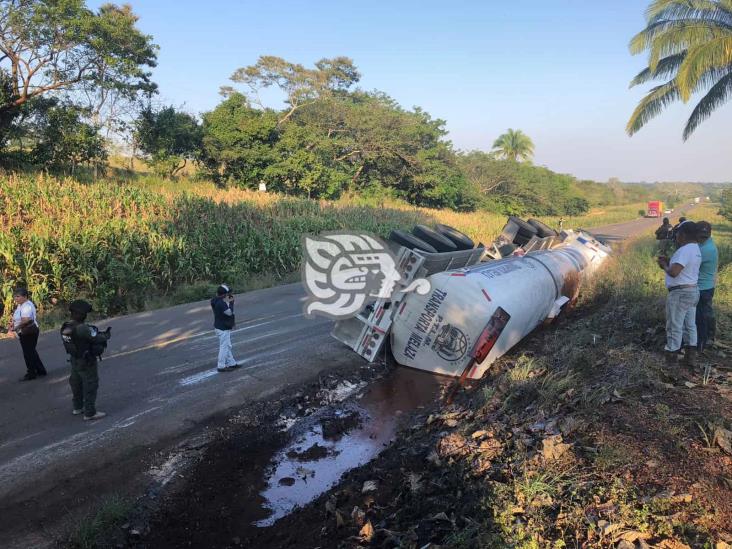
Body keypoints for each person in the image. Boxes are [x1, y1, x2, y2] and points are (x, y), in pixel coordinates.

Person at [657, 221, 701, 369]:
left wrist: (664, 266)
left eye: (677, 234)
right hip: (692, 291)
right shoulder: (695, 249)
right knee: (690, 325)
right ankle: (690, 358)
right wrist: (670, 262)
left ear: (683, 234)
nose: (676, 237)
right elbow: (682, 267)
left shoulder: (684, 250)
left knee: (674, 326)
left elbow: (674, 272)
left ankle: (671, 359)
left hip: (680, 293)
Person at [61, 300, 111, 420]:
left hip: (74, 359)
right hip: (86, 360)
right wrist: (106, 335)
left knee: (76, 383)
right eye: (84, 313)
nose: (85, 316)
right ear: (79, 313)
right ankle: (90, 412)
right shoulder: (81, 328)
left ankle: (77, 407)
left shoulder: (66, 326)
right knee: (90, 384)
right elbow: (96, 338)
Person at [9, 287, 47, 381]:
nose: (16, 299)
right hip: (25, 331)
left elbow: (26, 320)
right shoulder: (20, 305)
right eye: (15, 297)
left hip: (28, 332)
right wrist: (13, 323)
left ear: (25, 296)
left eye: (18, 296)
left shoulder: (27, 306)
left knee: (28, 353)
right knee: (31, 351)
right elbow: (18, 318)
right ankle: (41, 370)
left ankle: (31, 373)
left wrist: (15, 328)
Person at [695, 221, 718, 353]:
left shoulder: (706, 249)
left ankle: (702, 343)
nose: (701, 238)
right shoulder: (705, 243)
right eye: (700, 235)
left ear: (709, 234)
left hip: (704, 288)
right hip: (705, 286)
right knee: (704, 314)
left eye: (704, 235)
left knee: (701, 316)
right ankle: (706, 339)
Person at [211, 285, 241, 372]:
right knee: (224, 347)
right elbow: (229, 313)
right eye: (227, 293)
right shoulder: (221, 303)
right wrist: (231, 303)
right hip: (223, 328)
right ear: (224, 294)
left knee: (227, 346)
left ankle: (232, 363)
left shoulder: (214, 300)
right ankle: (221, 366)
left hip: (218, 326)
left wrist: (228, 298)